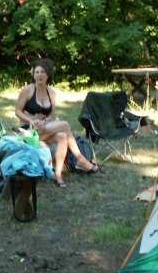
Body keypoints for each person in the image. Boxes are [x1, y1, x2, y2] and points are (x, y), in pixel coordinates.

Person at [15, 58, 98, 187]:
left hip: (43, 129)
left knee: (63, 136)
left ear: (48, 74)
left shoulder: (52, 93)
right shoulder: (28, 90)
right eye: (36, 72)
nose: (39, 75)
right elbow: (17, 111)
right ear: (33, 75)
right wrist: (31, 120)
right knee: (64, 125)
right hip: (28, 131)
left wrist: (44, 121)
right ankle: (80, 159)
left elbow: (50, 116)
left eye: (42, 72)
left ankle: (58, 174)